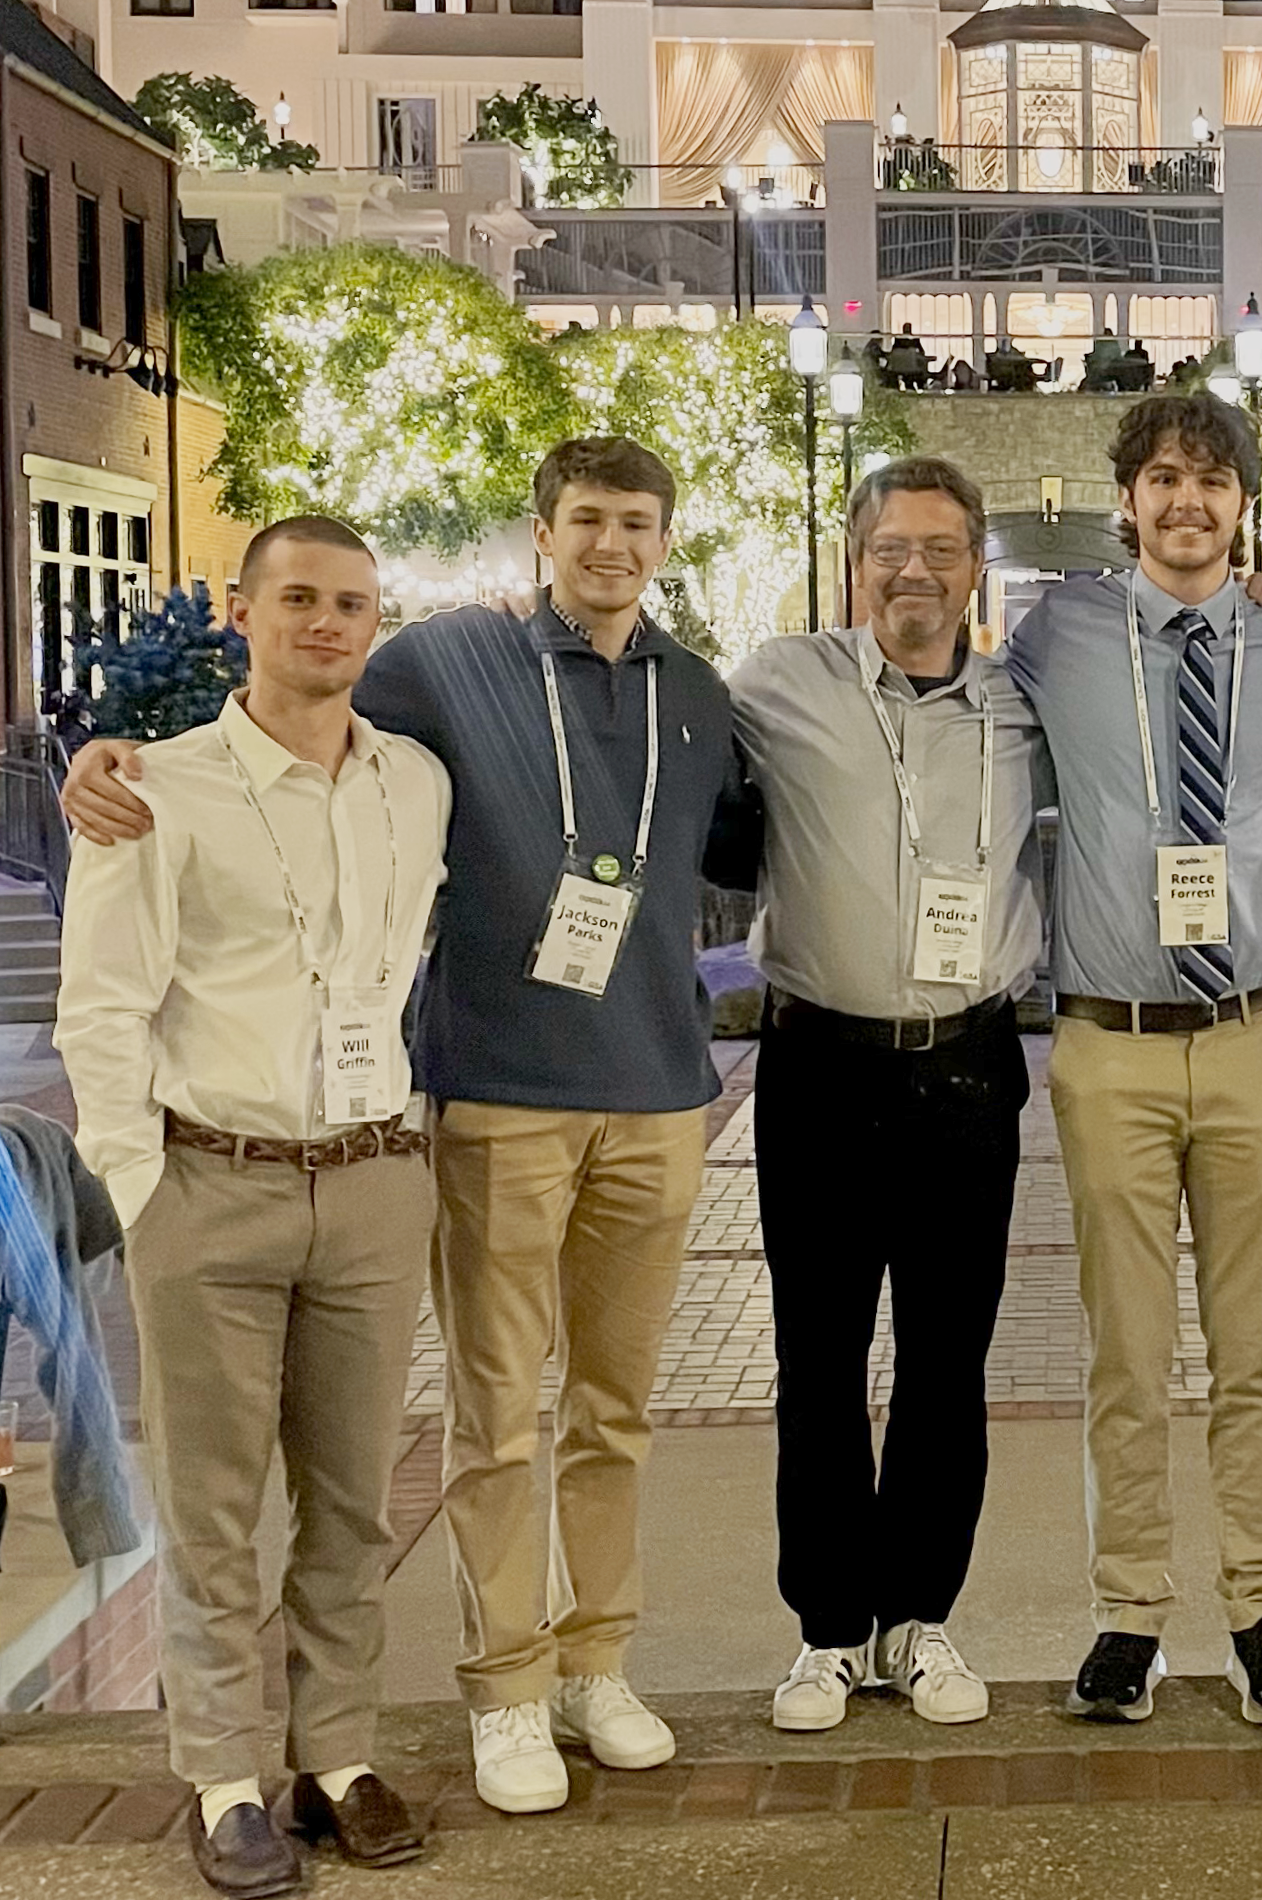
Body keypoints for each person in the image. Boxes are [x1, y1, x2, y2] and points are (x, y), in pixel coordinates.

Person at [63, 440, 755, 1817]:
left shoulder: (697, 694)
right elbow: (278, 719)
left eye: (636, 522)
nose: (610, 545)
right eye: (585, 521)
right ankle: (499, 1684)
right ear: (539, 534)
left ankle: (590, 1662)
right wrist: (103, 761)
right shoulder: (441, 667)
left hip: (652, 1101)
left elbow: (738, 850)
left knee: (609, 1413)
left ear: (663, 540)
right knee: (494, 1416)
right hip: (493, 1097)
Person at [56, 516, 453, 1898]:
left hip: (368, 1175)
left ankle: (335, 1752)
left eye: (351, 602)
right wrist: (139, 1191)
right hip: (208, 1181)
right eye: (297, 598)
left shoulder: (416, 785)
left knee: (351, 1502)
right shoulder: (152, 788)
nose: (325, 624)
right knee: (214, 1505)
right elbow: (99, 1009)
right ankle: (223, 1768)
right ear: (242, 611)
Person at [1001, 391, 1262, 1728]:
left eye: (1210, 480)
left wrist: (1256, 894)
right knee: (1125, 1354)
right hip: (1111, 1044)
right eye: (1162, 479)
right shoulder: (1056, 632)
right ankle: (1127, 1612)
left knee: (1255, 1352)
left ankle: (1260, 1605)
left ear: (1241, 502)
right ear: (1125, 499)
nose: (1186, 502)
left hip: (1253, 1033)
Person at [726, 456, 1044, 1732]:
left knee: (946, 1362)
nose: (915, 572)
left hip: (970, 1066)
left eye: (942, 550)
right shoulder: (771, 685)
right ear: (856, 561)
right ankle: (827, 1628)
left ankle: (920, 1620)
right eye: (890, 550)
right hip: (819, 1066)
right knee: (816, 1357)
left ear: (978, 566)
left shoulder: (1028, 705)